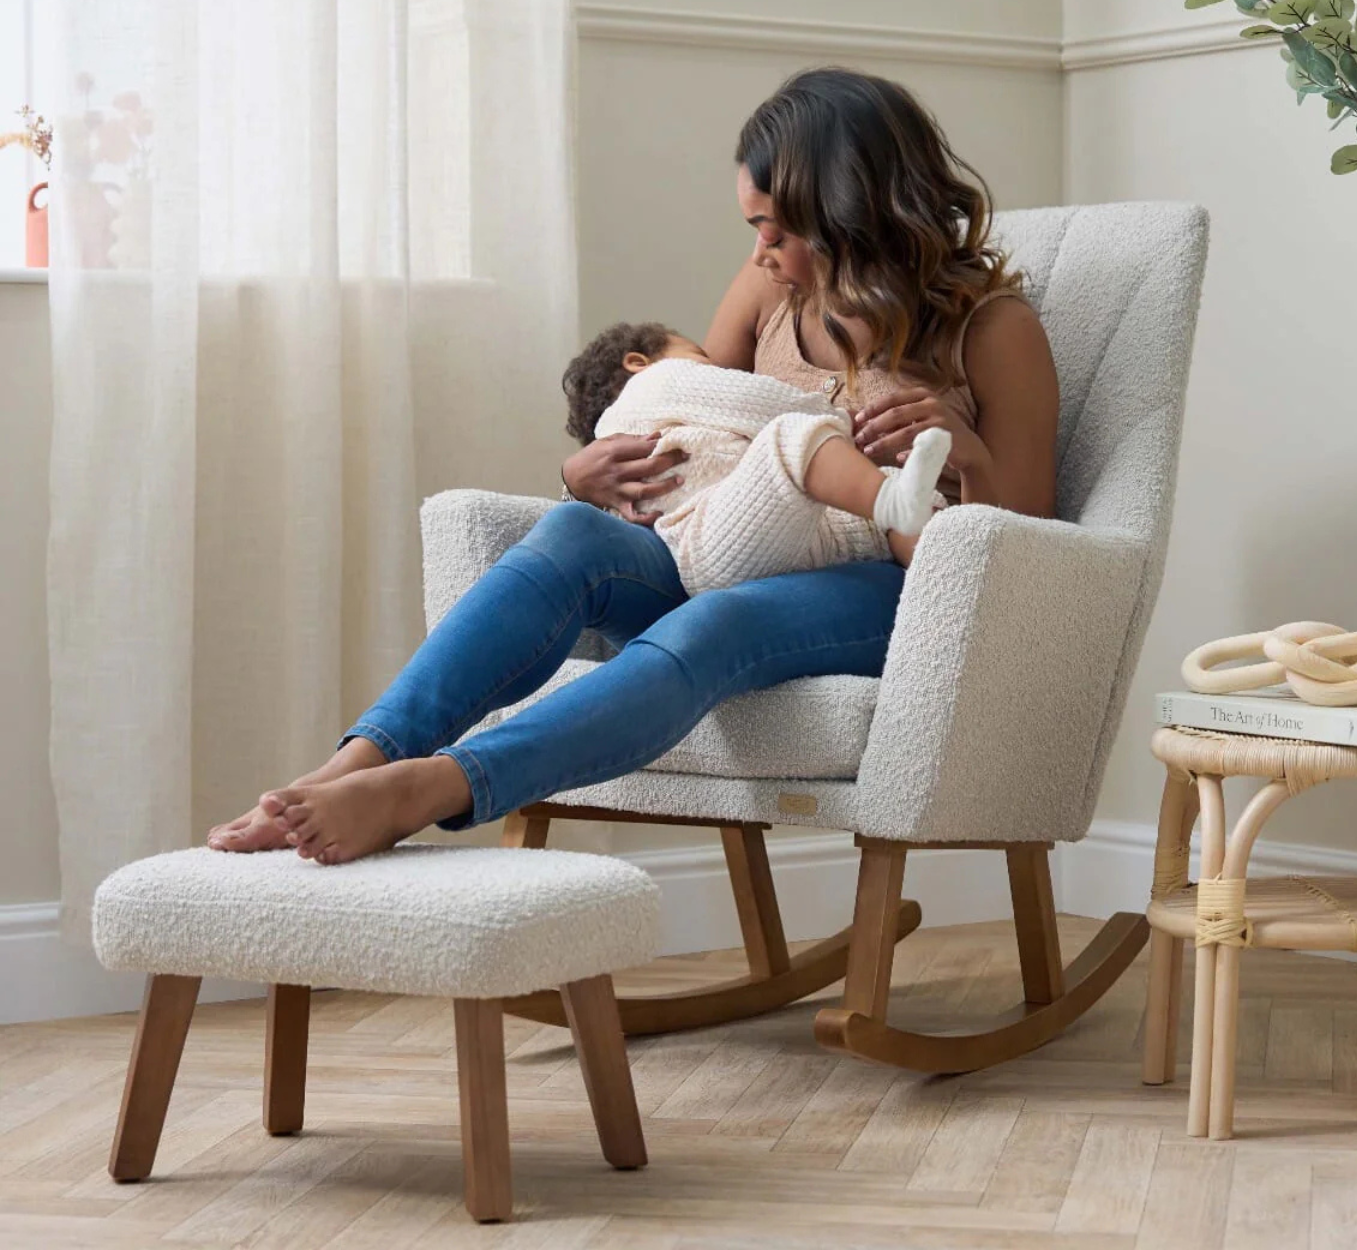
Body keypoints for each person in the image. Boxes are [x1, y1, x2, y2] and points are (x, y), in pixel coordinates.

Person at [207, 66, 1060, 866]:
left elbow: (1023, 553)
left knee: (717, 622)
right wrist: (584, 476)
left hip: (883, 589)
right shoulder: (770, 293)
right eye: (753, 226)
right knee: (574, 532)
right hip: (734, 543)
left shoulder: (991, 329)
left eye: (780, 229)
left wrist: (969, 451)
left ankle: (439, 786)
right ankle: (357, 762)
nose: (761, 251)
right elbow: (690, 414)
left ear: (855, 216)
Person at [564, 321, 952, 595]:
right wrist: (837, 419)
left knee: (899, 509)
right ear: (637, 362)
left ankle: (945, 577)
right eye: (700, 356)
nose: (715, 368)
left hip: (772, 539)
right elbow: (763, 403)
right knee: (791, 436)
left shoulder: (616, 474)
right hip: (706, 542)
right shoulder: (651, 384)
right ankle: (899, 508)